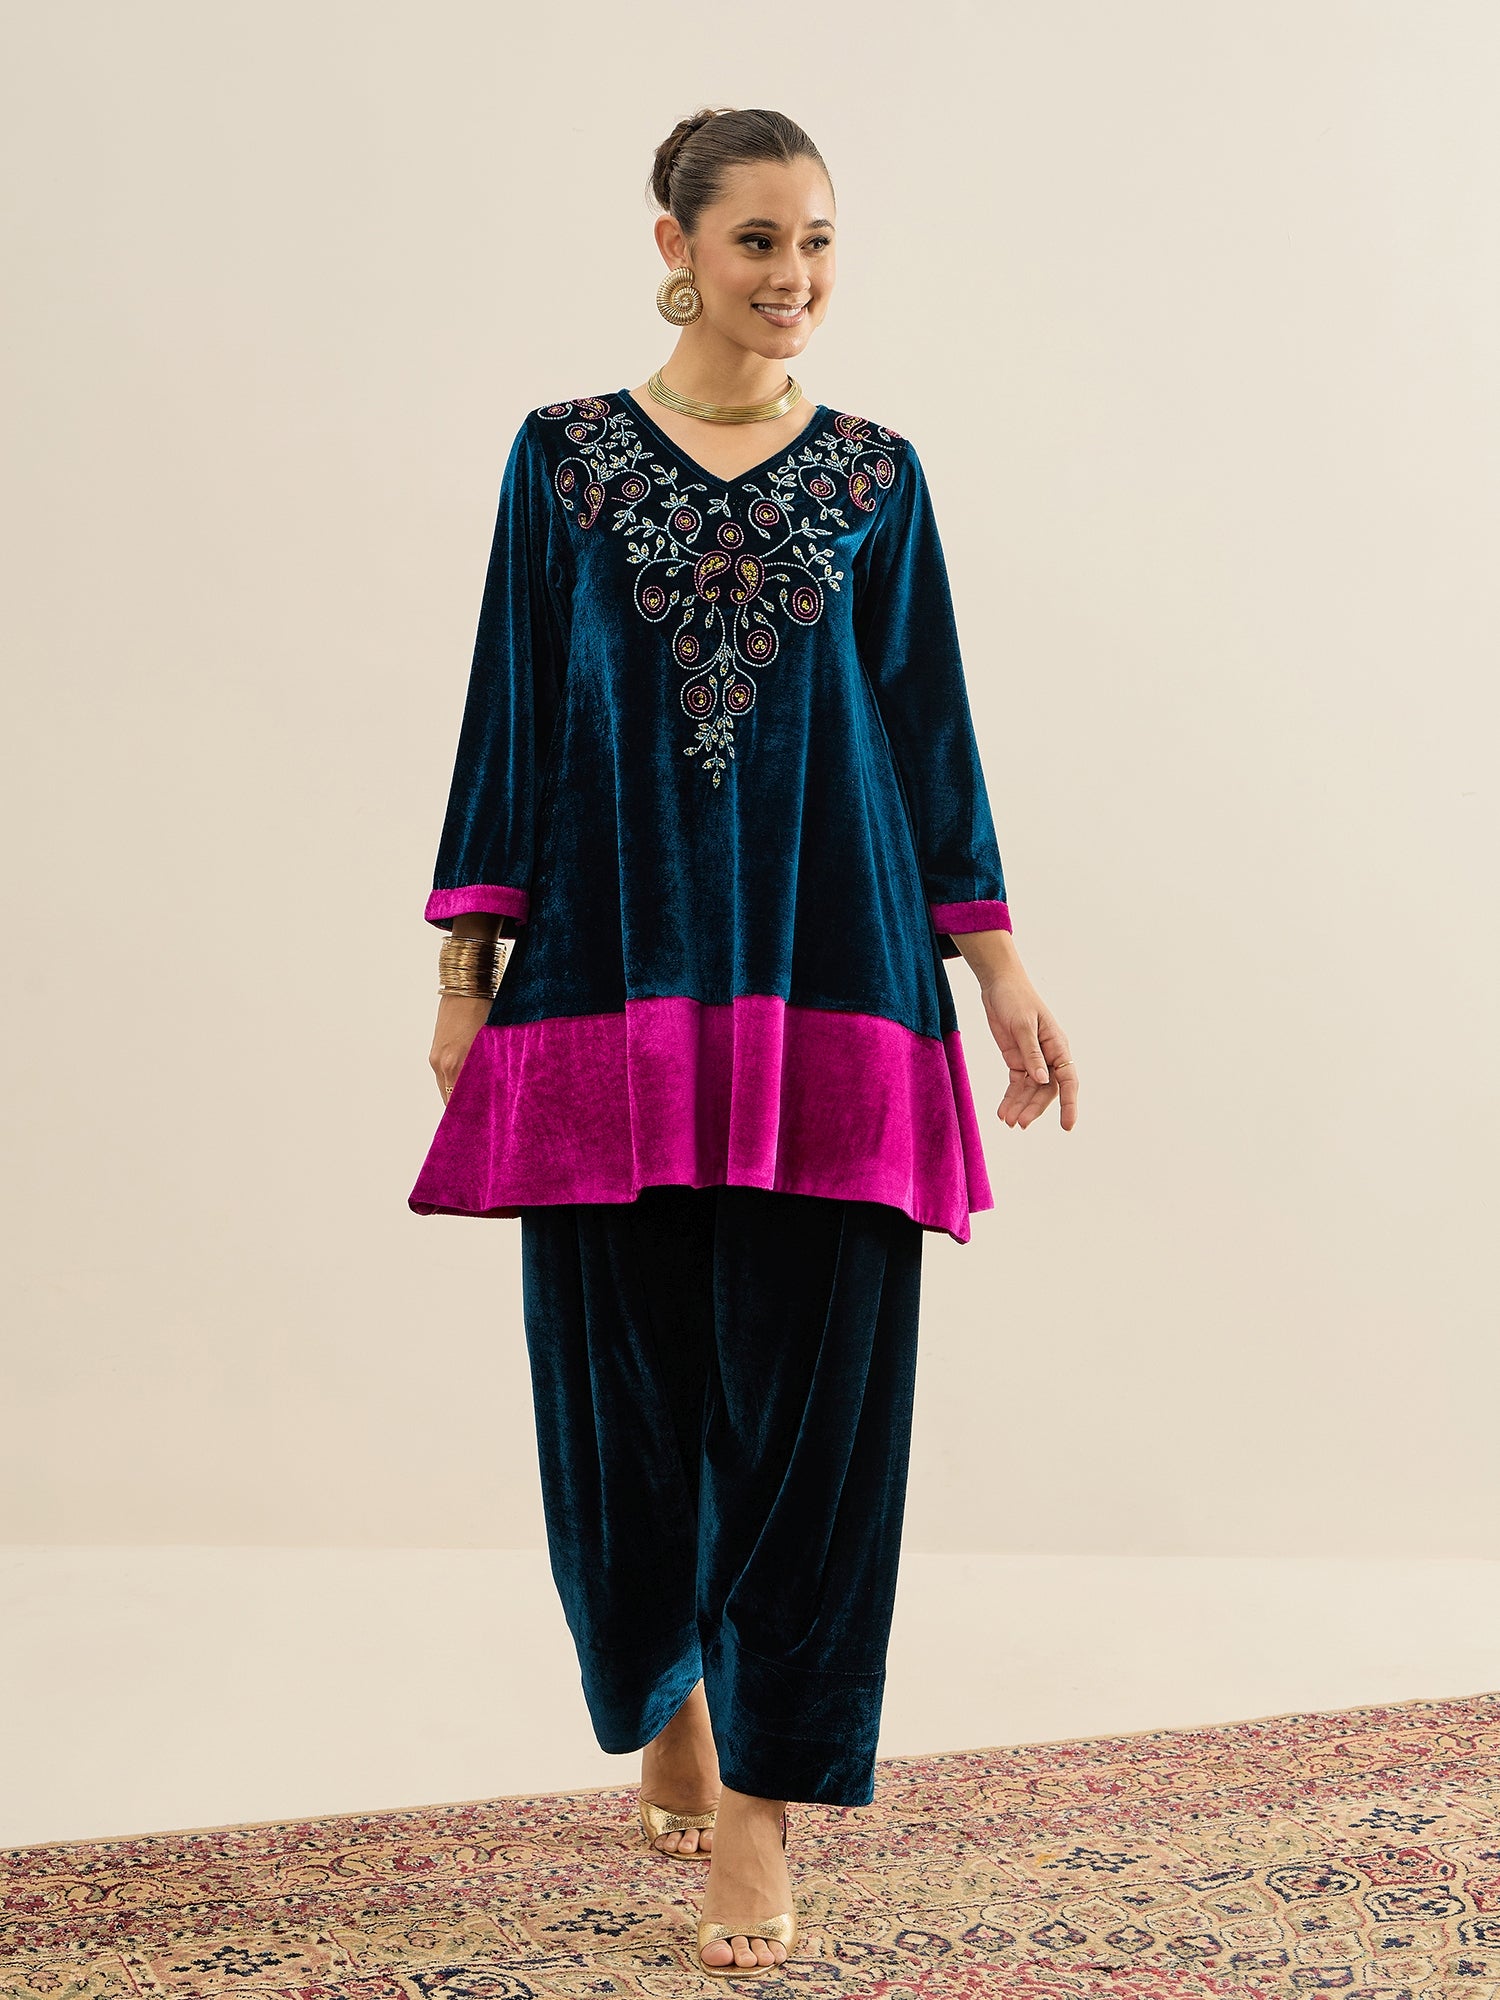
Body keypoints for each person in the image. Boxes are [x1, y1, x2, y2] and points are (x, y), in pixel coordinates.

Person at [408, 104, 1079, 1981]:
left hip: (840, 984)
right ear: (678, 246)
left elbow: (929, 737)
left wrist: (1000, 970)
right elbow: (512, 713)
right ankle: (665, 1688)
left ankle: (762, 1809)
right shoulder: (563, 460)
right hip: (608, 982)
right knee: (619, 1395)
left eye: (819, 242)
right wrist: (465, 974)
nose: (794, 277)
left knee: (819, 1420)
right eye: (761, 240)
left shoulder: (876, 476)